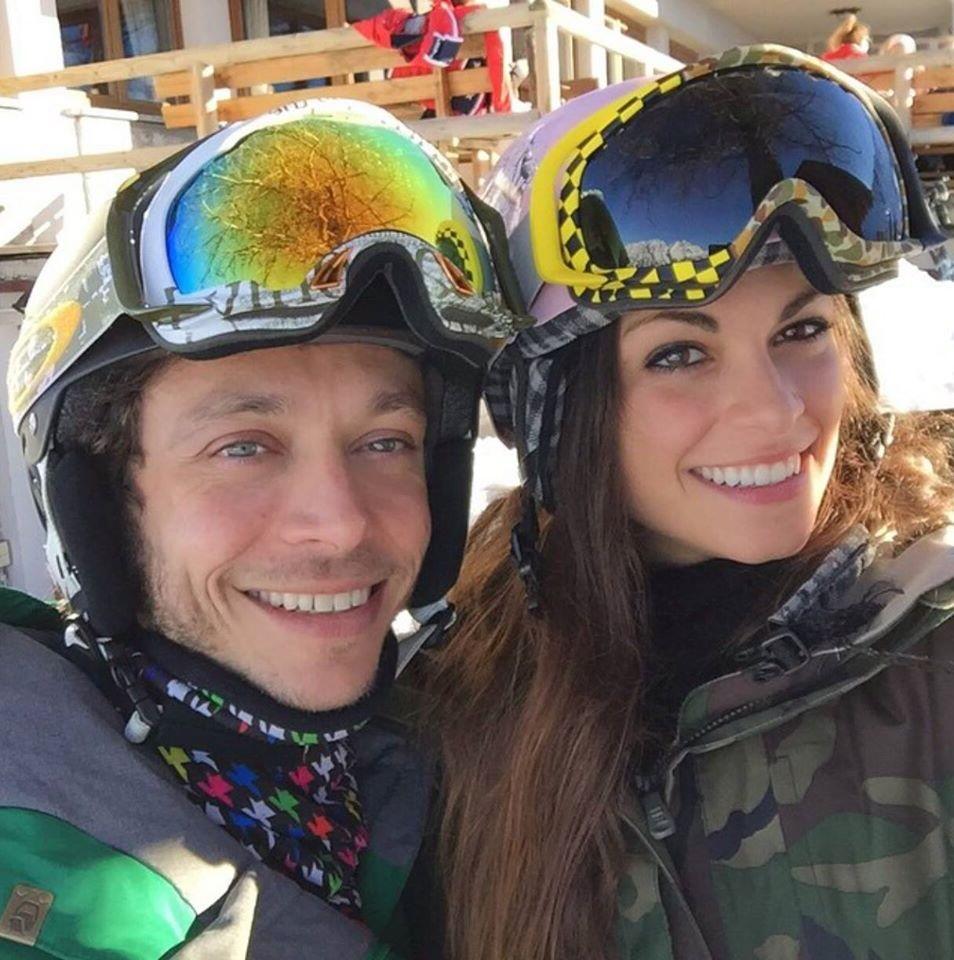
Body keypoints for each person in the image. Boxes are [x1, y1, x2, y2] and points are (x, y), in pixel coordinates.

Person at [423, 45, 954, 960]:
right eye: (680, 354)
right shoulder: (460, 680)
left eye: (801, 330)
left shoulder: (930, 648)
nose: (778, 413)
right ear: (560, 412)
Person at [0, 99, 522, 957]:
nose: (340, 525)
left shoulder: (434, 779)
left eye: (385, 442)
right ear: (95, 501)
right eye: (244, 447)